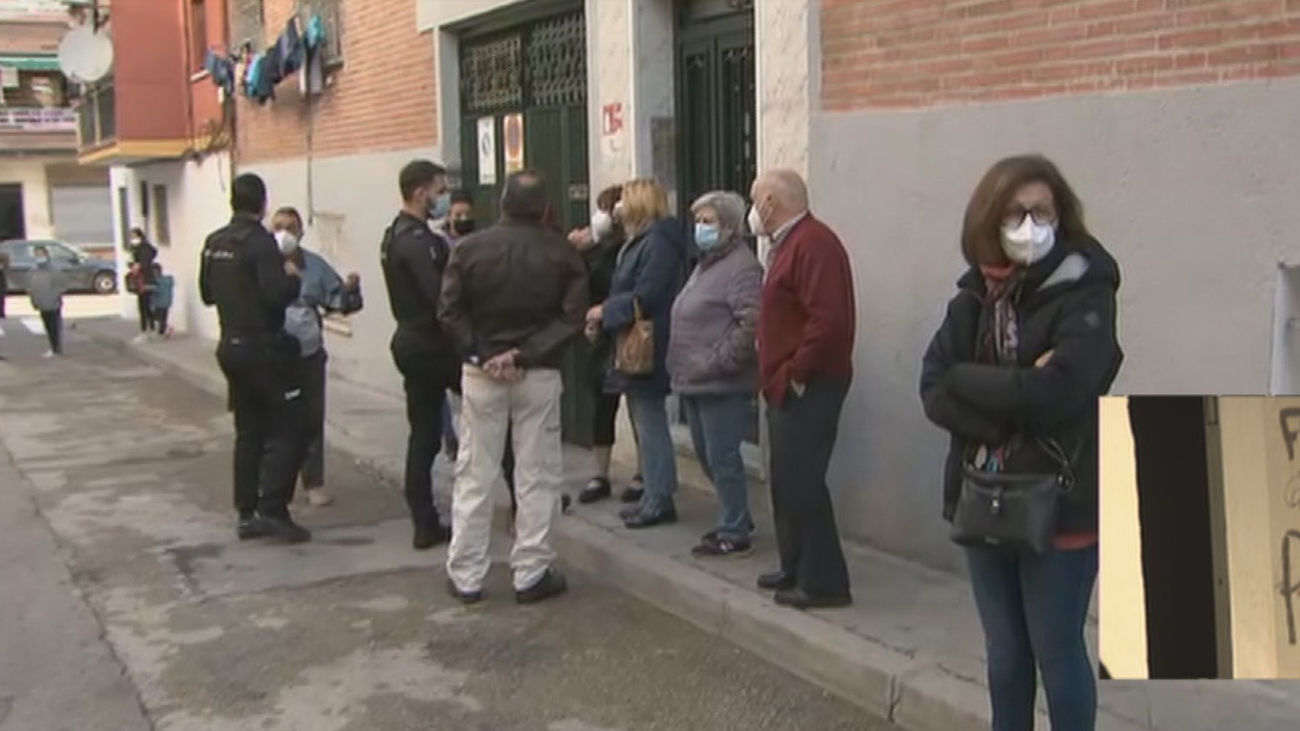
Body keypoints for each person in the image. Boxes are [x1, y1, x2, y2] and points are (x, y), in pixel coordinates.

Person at [919, 154, 1122, 731]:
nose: (1029, 225)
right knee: (1006, 656)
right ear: (988, 219)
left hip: (1063, 500)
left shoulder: (1085, 287)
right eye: (1015, 212)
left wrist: (971, 381)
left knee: (1057, 655)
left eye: (1042, 211)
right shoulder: (973, 296)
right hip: (983, 495)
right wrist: (1008, 400)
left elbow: (1062, 392)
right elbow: (934, 385)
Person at [439, 169, 588, 605]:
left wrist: (484, 353)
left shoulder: (468, 249)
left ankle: (466, 572)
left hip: (482, 374)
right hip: (537, 372)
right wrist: (522, 354)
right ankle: (531, 570)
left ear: (501, 203)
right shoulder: (561, 254)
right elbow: (572, 318)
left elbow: (449, 312)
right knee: (536, 473)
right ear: (544, 208)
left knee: (474, 472)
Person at [751, 168, 855, 610]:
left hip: (809, 384)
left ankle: (824, 579)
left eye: (757, 201)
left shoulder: (814, 244)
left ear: (772, 203)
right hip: (783, 382)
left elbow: (827, 320)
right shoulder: (788, 245)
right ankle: (794, 564)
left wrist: (796, 372)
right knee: (786, 480)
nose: (754, 211)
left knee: (804, 482)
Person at [199, 173, 312, 544]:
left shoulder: (214, 242)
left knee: (248, 431)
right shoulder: (260, 243)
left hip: (230, 345)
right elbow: (276, 294)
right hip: (262, 347)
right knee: (291, 425)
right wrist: (293, 277)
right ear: (262, 204)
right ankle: (273, 509)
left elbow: (207, 294)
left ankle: (246, 512)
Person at [667, 191, 762, 556]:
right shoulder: (706, 263)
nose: (700, 228)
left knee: (723, 457)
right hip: (693, 379)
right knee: (707, 456)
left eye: (708, 221)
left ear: (729, 226)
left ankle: (734, 530)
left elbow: (750, 324)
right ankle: (736, 515)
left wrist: (717, 361)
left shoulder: (742, 267)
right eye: (698, 221)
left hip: (720, 381)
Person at [589, 178, 687, 529]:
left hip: (649, 344)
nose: (617, 209)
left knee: (650, 423)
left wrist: (605, 312)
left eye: (624, 201)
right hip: (633, 342)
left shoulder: (657, 243)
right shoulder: (642, 241)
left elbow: (647, 294)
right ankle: (653, 495)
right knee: (643, 422)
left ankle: (659, 497)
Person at [381, 160, 459, 550]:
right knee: (493, 413)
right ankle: (520, 501)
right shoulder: (415, 242)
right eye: (439, 191)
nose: (443, 198)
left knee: (424, 435)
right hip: (431, 343)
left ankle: (425, 523)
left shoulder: (397, 234)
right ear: (419, 192)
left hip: (414, 342)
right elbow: (439, 299)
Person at [271, 206, 364, 509]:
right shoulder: (263, 264)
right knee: (275, 422)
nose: (284, 233)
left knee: (311, 417)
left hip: (308, 354)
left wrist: (350, 290)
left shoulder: (314, 265)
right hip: (271, 355)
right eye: (278, 226)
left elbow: (339, 300)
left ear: (300, 233)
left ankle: (314, 481)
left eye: (290, 227)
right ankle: (273, 486)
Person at [569, 184, 643, 504]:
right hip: (601, 336)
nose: (599, 217)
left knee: (640, 407)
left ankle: (644, 471)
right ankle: (600, 473)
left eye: (606, 208)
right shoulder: (593, 251)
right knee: (602, 405)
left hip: (632, 334)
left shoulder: (635, 248)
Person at [28, 245, 66, 358]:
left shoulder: (54, 270)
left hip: (53, 302)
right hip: (41, 303)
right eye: (36, 254)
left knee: (54, 326)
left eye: (41, 254)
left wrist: (54, 296)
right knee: (48, 326)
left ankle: (56, 348)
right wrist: (34, 300)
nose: (39, 257)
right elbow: (30, 286)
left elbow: (61, 285)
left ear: (46, 255)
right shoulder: (33, 270)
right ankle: (54, 347)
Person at [129, 227, 158, 343]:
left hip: (143, 281)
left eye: (133, 236)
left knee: (143, 306)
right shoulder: (146, 248)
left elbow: (142, 263)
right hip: (147, 280)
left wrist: (136, 266)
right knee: (147, 306)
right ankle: (151, 329)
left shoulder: (143, 249)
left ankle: (145, 331)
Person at [147, 263, 175, 339]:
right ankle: (163, 331)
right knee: (162, 318)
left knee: (158, 317)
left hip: (159, 302)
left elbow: (158, 290)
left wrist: (150, 288)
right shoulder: (167, 280)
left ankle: (165, 330)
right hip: (166, 302)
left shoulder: (158, 281)